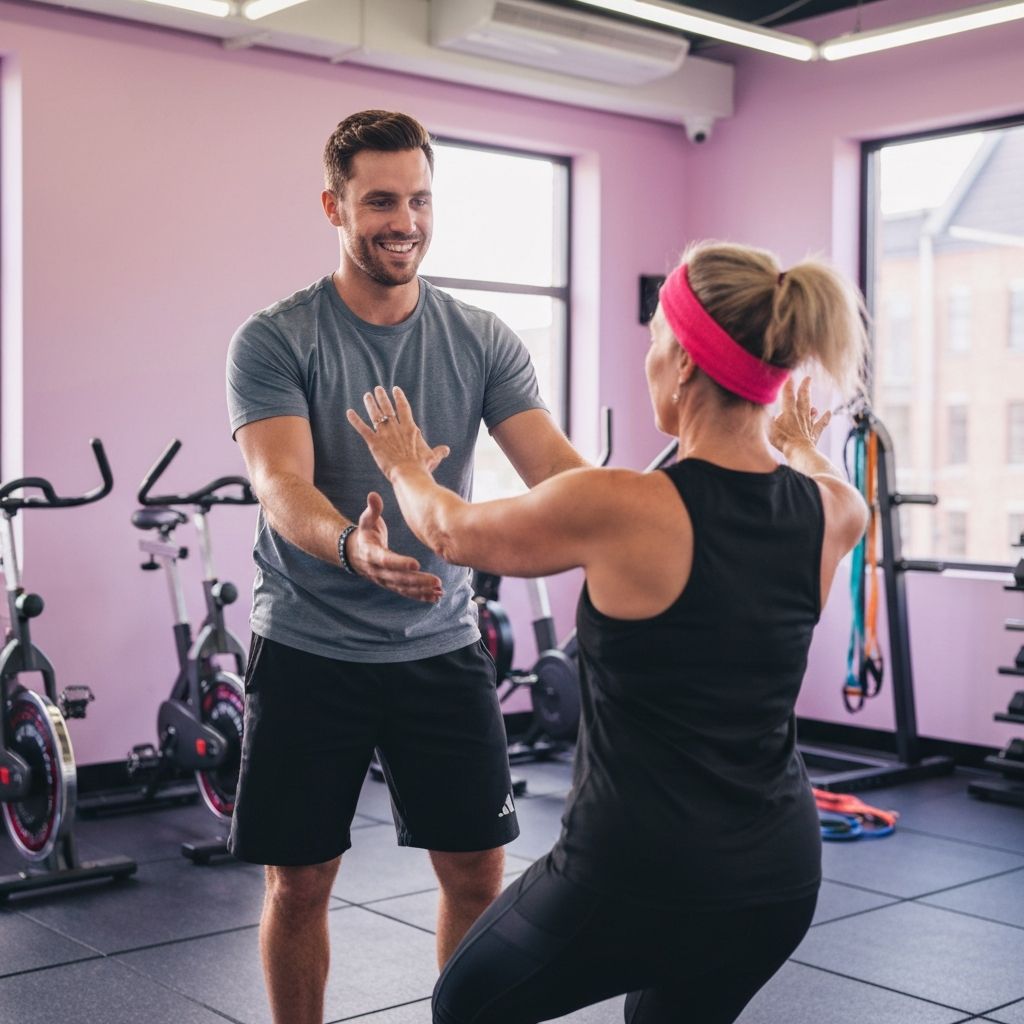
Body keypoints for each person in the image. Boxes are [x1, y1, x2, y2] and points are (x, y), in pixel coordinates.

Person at [348, 240, 870, 1024]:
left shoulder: (625, 505)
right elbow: (832, 480)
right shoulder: (834, 513)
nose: (651, 360)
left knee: (466, 1003)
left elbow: (451, 532)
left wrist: (402, 466)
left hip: (634, 871)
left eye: (658, 342)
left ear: (688, 364)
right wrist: (797, 443)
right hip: (777, 878)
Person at [225, 109, 586, 1024]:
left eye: (419, 199)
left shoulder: (480, 338)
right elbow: (280, 482)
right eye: (381, 200)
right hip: (309, 642)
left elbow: (562, 476)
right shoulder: (276, 338)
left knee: (478, 872)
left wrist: (668, 509)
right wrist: (356, 547)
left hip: (441, 642)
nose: (405, 221)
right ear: (334, 207)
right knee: (299, 883)